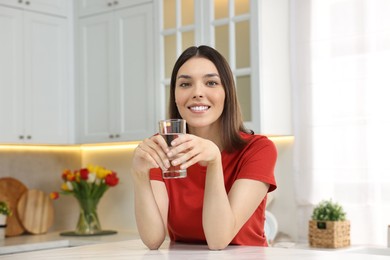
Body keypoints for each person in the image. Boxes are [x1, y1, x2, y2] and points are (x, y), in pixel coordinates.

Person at [130, 45, 277, 250]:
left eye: (211, 82)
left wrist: (214, 161)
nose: (198, 92)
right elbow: (153, 239)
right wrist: (139, 175)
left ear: (227, 92)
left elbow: (218, 240)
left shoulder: (258, 149)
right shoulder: (163, 147)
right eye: (185, 84)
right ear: (175, 95)